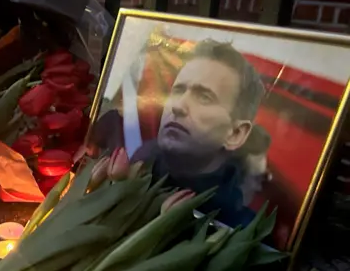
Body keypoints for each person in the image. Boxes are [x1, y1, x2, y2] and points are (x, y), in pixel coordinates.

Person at [91, 39, 266, 227]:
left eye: (204, 97)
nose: (178, 106)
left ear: (236, 134)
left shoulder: (241, 229)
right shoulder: (126, 168)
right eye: (178, 91)